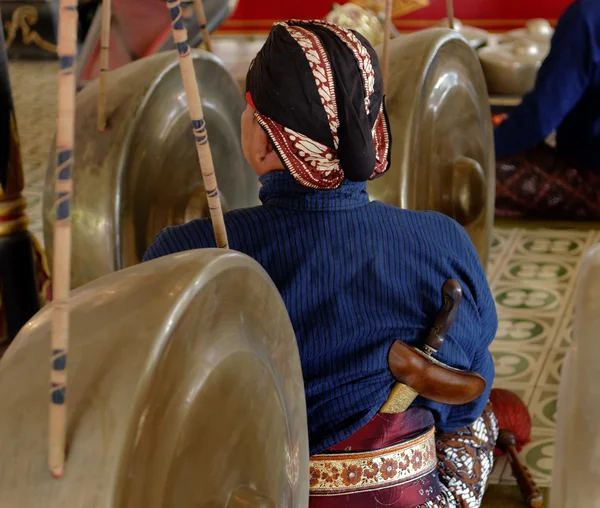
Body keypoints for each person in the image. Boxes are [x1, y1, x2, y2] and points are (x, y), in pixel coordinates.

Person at [144, 20, 498, 507]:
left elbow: (156, 405)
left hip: (253, 492)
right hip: (407, 498)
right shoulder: (443, 241)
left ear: (266, 141)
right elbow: (468, 392)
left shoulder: (189, 255)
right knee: (482, 414)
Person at [493, 0, 600, 220]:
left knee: (476, 176)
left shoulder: (586, 16)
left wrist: (485, 145)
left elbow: (539, 119)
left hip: (592, 175)